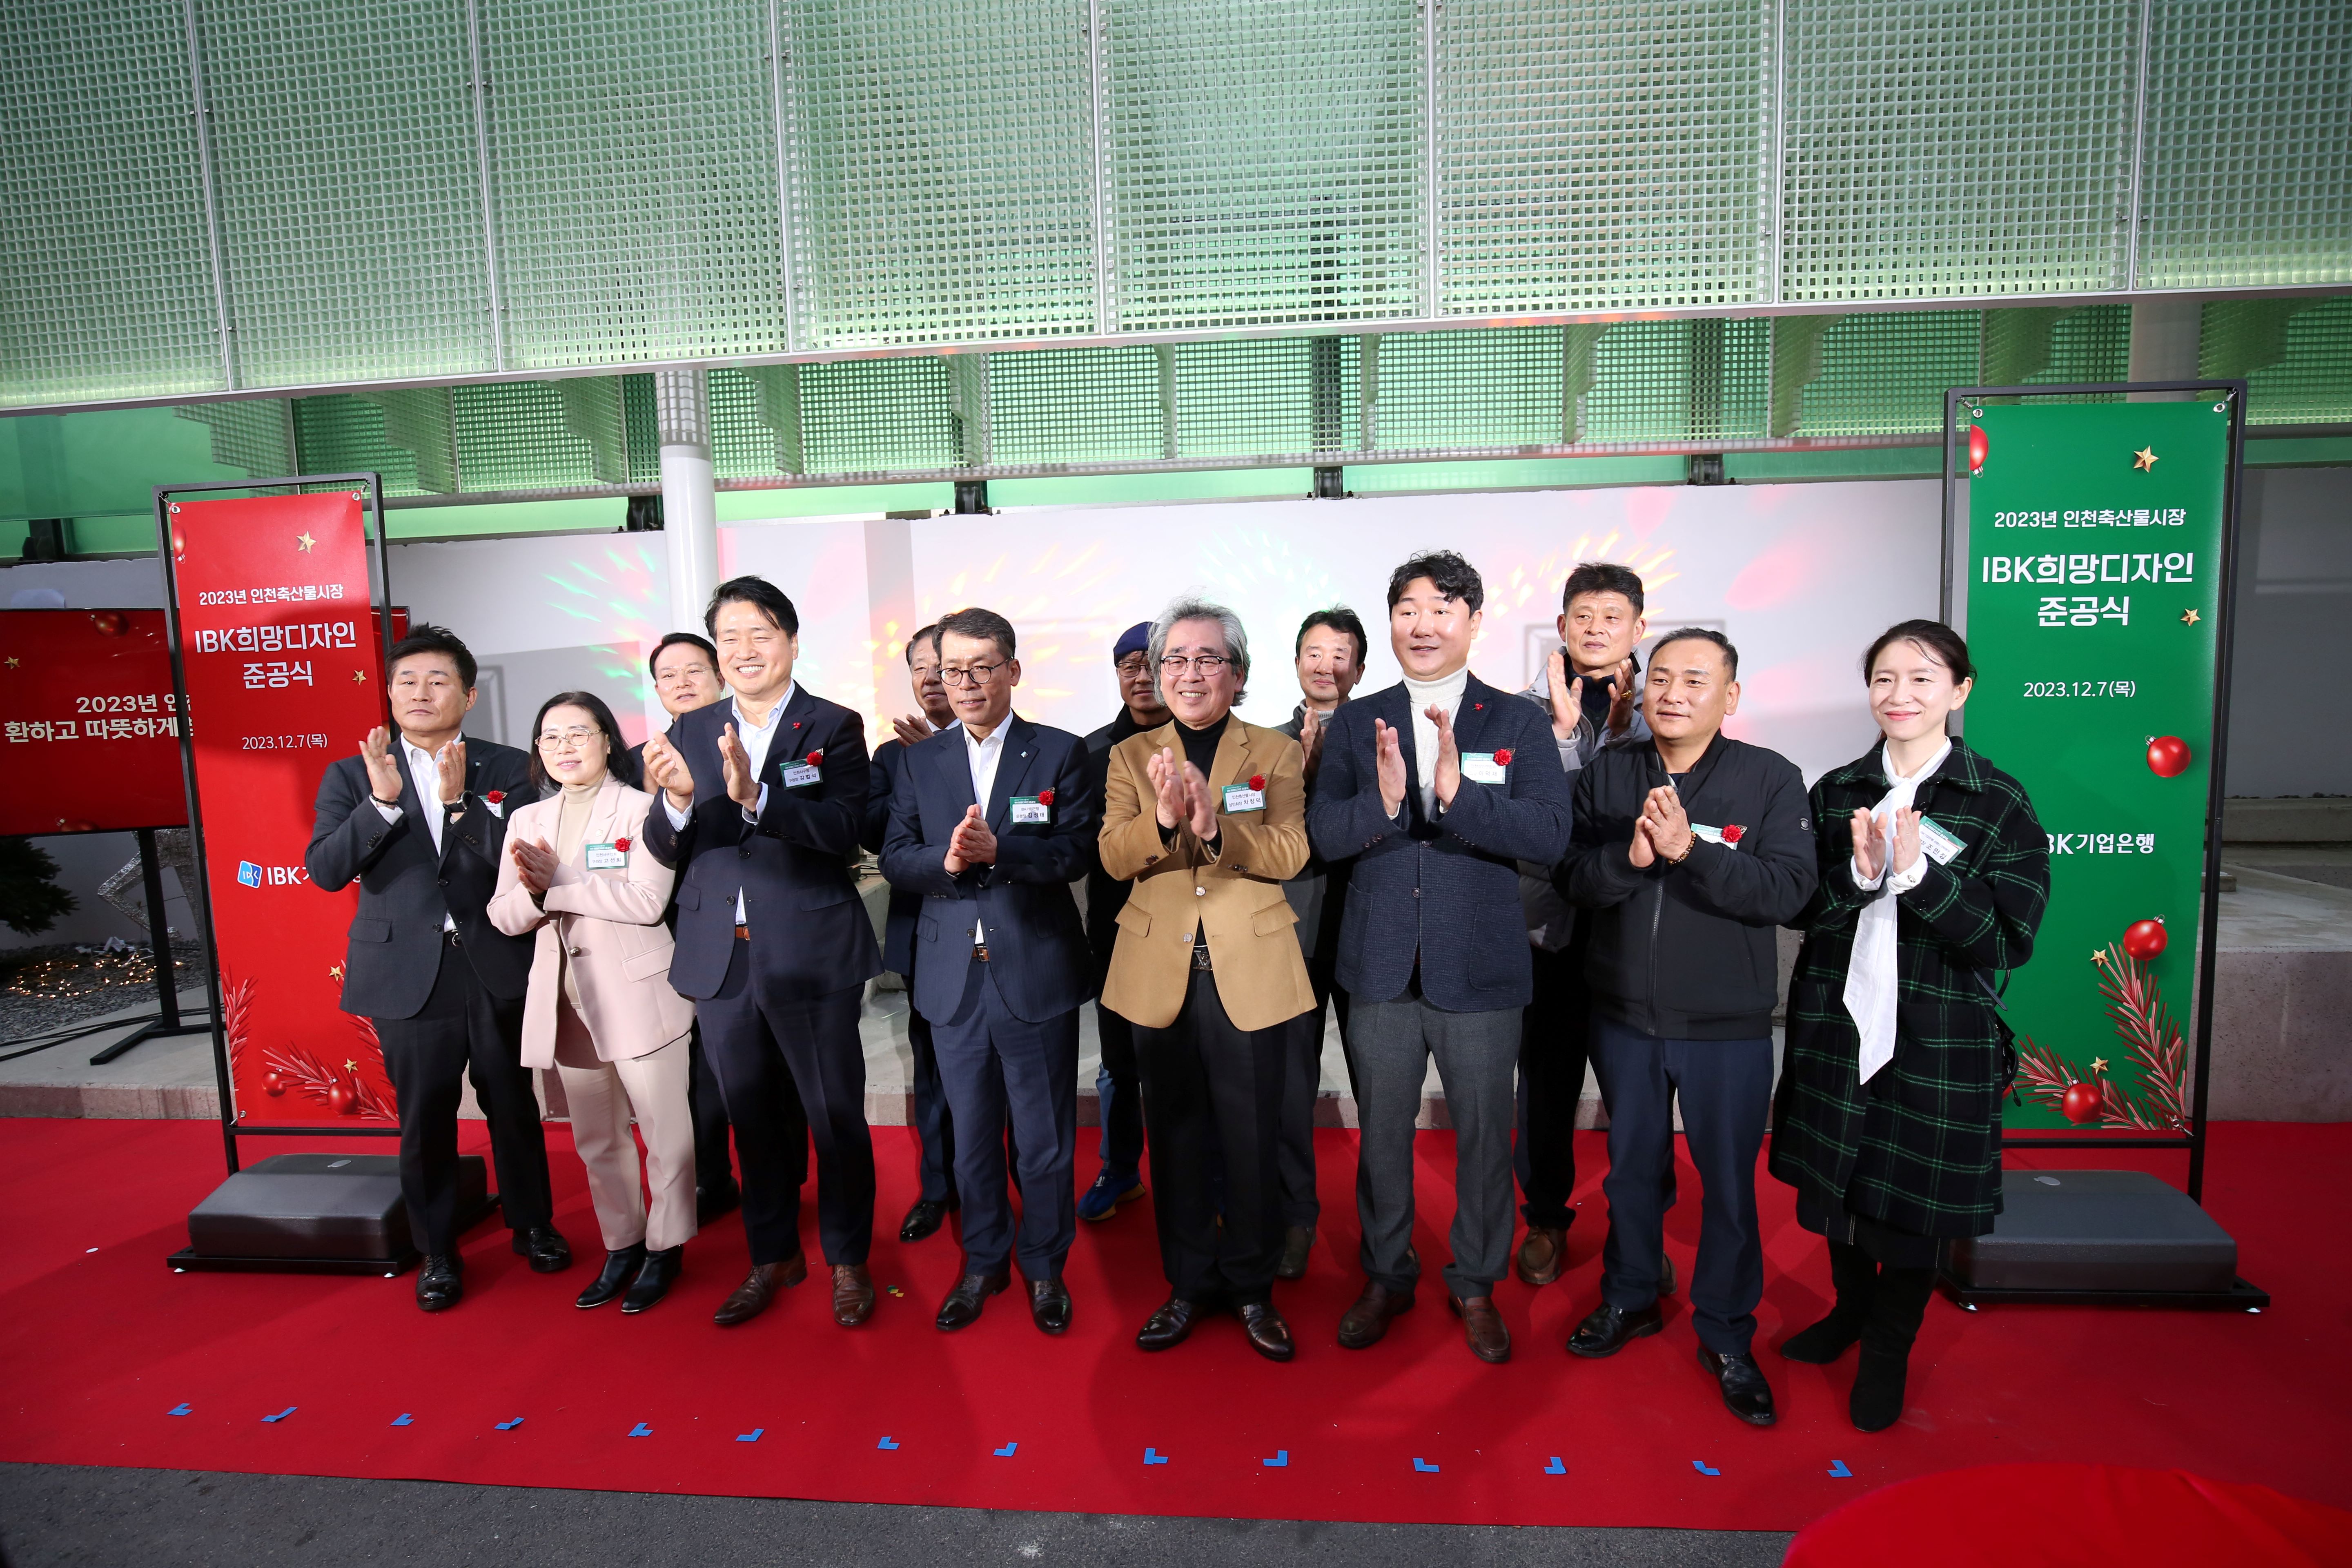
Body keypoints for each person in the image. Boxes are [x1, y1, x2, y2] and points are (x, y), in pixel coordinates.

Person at [1771, 621, 2049, 1432]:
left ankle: (1889, 1347)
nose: (1900, 696)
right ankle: (1849, 1312)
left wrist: (1920, 875)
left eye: (1923, 679)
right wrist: (1857, 878)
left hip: (1939, 1035)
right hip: (1838, 1023)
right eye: (1885, 679)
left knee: (1916, 1205)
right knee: (1841, 1185)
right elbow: (1803, 909)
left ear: (1960, 691)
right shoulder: (1838, 791)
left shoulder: (1997, 802)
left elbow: (2007, 940)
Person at [1307, 553, 1573, 1364]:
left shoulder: (1517, 722)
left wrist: (1461, 797)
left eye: (1442, 609)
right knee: (1382, 1136)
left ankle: (1476, 1283)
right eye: (1408, 610)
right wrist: (1386, 802)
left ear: (1474, 622)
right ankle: (1387, 1274)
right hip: (1379, 966)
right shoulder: (1358, 720)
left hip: (1482, 965)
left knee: (1486, 1137)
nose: (1423, 625)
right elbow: (1323, 836)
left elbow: (1549, 836)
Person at [1556, 628, 1815, 1427]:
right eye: (1661, 678)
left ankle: (1728, 1333)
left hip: (1726, 1026)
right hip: (1624, 1017)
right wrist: (1629, 861)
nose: (1672, 693)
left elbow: (1789, 893)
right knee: (1632, 1173)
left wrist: (1690, 852)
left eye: (1695, 680)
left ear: (1730, 697)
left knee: (1729, 1185)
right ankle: (1631, 1295)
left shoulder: (1770, 778)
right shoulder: (1610, 773)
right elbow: (1571, 878)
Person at [305, 624, 568, 1312]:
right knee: (424, 1116)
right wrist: (382, 803)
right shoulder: (352, 774)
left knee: (513, 1102)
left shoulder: (509, 768)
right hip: (406, 971)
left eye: (438, 681)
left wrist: (459, 807)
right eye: (407, 681)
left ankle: (533, 1225)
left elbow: (525, 859)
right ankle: (438, 1251)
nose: (420, 693)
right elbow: (326, 870)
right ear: (391, 694)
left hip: (492, 959)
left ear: (469, 696)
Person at [641, 576, 880, 1330]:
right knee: (749, 1115)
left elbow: (845, 830)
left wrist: (759, 799)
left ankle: (847, 1258)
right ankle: (771, 1255)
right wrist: (678, 803)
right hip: (721, 953)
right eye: (730, 638)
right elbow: (663, 847)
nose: (744, 650)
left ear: (792, 643)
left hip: (810, 948)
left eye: (760, 634)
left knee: (832, 1113)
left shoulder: (833, 725)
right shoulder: (689, 728)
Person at [1100, 597, 1313, 1362]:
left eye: (1208, 659)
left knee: (1253, 1139)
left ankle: (1253, 1288)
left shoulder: (1274, 751)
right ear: (1160, 672)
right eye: (1176, 659)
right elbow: (1113, 857)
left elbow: (1291, 852)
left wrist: (1218, 828)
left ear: (1239, 672)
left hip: (1249, 968)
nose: (1190, 673)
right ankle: (1188, 1284)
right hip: (1160, 970)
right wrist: (1162, 820)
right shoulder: (1131, 755)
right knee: (1176, 1138)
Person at [881, 608, 1096, 1334]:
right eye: (953, 670)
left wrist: (1001, 852)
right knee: (970, 1137)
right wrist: (945, 862)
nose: (966, 683)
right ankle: (983, 1261)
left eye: (982, 668)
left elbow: (1076, 852)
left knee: (1043, 1140)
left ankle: (1045, 1266)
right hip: (952, 977)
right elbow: (895, 857)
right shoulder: (919, 761)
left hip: (1033, 968)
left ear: (1013, 671)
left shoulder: (1059, 752)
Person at [488, 691, 699, 1313]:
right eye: (551, 737)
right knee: (598, 1140)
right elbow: (503, 914)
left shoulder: (642, 808)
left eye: (579, 734)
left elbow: (647, 903)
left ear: (608, 740)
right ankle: (622, 1244)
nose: (565, 748)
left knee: (666, 1136)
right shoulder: (526, 819)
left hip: (639, 995)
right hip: (565, 1003)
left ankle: (666, 1247)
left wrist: (558, 886)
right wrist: (536, 897)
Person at [1511, 564, 1652, 1290]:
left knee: (1641, 1095)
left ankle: (1640, 1232)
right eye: (1583, 616)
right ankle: (1544, 1218)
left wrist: (1629, 739)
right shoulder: (1517, 713)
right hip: (1548, 933)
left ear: (1639, 627)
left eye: (1612, 616)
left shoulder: (1666, 710)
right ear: (1562, 626)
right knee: (1546, 1087)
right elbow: (1527, 820)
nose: (1597, 629)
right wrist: (1566, 740)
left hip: (1638, 935)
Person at [628, 629, 743, 1225]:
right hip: (661, 930)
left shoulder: (746, 743)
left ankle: (768, 1178)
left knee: (740, 1062)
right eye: (667, 676)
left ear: (721, 677)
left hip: (738, 926)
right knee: (689, 1066)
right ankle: (708, 1176)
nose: (681, 683)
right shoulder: (639, 759)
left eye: (694, 670)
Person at [1270, 606, 1370, 1279]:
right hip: (1291, 938)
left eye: (1340, 655)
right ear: (1297, 662)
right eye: (1314, 652)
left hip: (1370, 937)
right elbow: (1254, 838)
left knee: (1381, 1093)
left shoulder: (1385, 736)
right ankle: (1294, 1218)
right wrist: (1299, 781)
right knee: (1288, 1091)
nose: (1326, 665)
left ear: (1359, 668)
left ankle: (1384, 1228)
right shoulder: (1262, 745)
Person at [864, 624, 963, 1244]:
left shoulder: (1003, 746)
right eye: (919, 668)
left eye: (942, 666)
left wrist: (941, 763)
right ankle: (937, 1188)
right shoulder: (890, 755)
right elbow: (880, 836)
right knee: (930, 1065)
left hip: (994, 932)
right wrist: (923, 764)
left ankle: (993, 1186)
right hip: (925, 931)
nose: (931, 679)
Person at [1077, 623, 1170, 1222]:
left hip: (1189, 930)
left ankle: (1202, 1175)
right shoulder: (1090, 753)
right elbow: (1087, 846)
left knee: (1188, 1060)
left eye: (1152, 665)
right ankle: (1120, 1169)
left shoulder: (1202, 742)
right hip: (1116, 929)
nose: (1141, 677)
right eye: (1128, 666)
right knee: (1118, 1061)